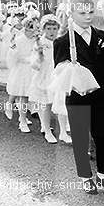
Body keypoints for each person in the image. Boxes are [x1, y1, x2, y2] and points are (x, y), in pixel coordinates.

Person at [53, 0, 104, 196]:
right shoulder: (63, 41)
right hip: (77, 95)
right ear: (72, 13)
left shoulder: (102, 36)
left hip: (100, 94)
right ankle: (85, 176)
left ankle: (103, 174)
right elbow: (59, 71)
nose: (88, 16)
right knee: (81, 136)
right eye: (82, 13)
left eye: (91, 12)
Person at [29, 14, 69, 144]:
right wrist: (39, 57)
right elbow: (34, 65)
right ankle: (46, 130)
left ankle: (63, 131)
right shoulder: (40, 43)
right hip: (44, 75)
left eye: (54, 28)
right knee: (45, 103)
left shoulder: (60, 41)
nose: (52, 32)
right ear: (43, 29)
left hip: (57, 75)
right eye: (49, 28)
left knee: (60, 102)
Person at [7, 16, 38, 133]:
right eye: (32, 29)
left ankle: (25, 116)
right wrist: (27, 59)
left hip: (34, 70)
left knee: (35, 96)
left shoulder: (37, 40)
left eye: (36, 29)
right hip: (23, 70)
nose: (35, 32)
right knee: (23, 96)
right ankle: (23, 121)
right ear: (26, 29)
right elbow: (13, 56)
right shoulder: (19, 40)